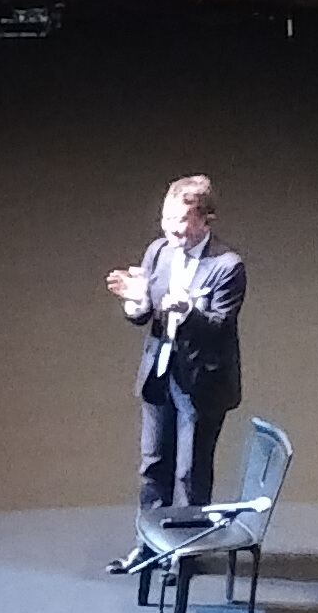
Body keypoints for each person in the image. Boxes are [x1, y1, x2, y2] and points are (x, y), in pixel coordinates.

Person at [106, 173, 247, 560]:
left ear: (205, 220)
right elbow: (146, 311)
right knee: (153, 465)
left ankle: (184, 552)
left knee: (190, 473)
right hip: (160, 375)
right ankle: (148, 546)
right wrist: (136, 304)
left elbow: (220, 326)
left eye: (181, 221)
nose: (172, 229)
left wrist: (186, 313)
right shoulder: (158, 252)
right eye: (167, 219)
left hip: (201, 384)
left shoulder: (227, 266)